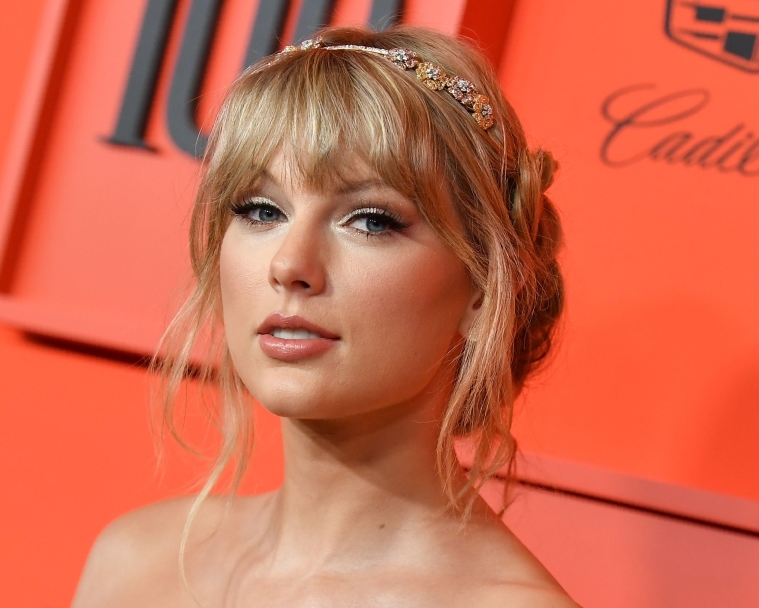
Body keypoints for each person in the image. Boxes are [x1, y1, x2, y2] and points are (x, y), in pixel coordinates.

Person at [73, 25, 576, 607]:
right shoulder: (135, 560)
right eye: (261, 210)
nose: (290, 264)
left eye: (370, 220)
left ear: (485, 287)